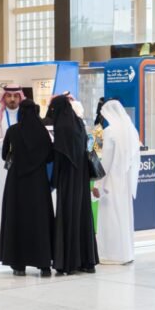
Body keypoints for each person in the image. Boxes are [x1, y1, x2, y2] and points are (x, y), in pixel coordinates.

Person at [0, 99, 54, 277]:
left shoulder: (13, 131)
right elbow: (50, 156)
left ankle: (19, 265)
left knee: (18, 219)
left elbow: (5, 155)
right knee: (40, 220)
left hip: (17, 182)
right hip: (38, 183)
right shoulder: (43, 132)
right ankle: (44, 265)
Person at [48, 95, 99, 275]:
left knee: (68, 215)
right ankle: (87, 262)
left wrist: (53, 181)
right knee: (82, 214)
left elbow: (60, 155)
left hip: (68, 177)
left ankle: (69, 262)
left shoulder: (62, 127)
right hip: (81, 176)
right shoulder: (78, 123)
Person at [93, 99, 140, 264]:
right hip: (124, 181)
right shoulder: (130, 130)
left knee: (111, 218)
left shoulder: (110, 132)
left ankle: (112, 254)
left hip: (111, 181)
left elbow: (105, 161)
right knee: (124, 216)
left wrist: (98, 184)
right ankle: (126, 253)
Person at [0, 84, 25, 248]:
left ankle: (21, 238)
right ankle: (0, 240)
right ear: (4, 98)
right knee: (2, 198)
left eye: (15, 96)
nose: (12, 99)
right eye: (9, 96)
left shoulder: (25, 115)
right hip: (4, 163)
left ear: (20, 97)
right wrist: (10, 141)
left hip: (23, 162)